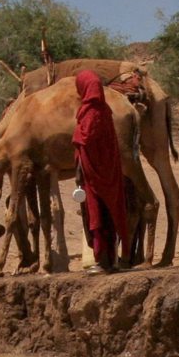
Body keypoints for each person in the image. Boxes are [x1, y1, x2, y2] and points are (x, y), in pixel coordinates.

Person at [72, 70, 129, 275]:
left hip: (94, 176)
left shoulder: (90, 112)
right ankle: (110, 259)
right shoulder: (104, 110)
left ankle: (102, 260)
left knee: (97, 217)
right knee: (108, 216)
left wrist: (80, 170)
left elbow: (85, 141)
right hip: (108, 173)